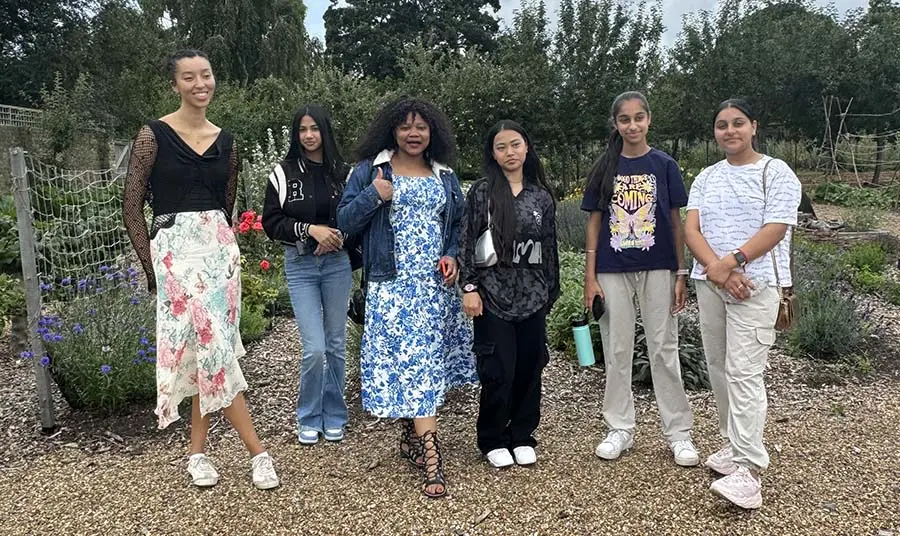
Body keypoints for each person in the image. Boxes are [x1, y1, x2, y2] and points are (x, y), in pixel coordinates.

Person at [122, 49, 278, 490]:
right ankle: (258, 452)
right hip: (174, 253)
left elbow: (225, 206)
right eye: (188, 78)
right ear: (175, 85)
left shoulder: (226, 141)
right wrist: (151, 267)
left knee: (208, 351)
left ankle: (196, 454)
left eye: (205, 75)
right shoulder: (152, 135)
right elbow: (132, 206)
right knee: (212, 350)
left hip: (218, 254)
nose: (199, 84)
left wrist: (223, 249)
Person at [337, 97, 477, 499]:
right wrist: (375, 195)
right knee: (411, 361)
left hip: (434, 286)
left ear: (432, 132)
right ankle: (433, 457)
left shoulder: (445, 175)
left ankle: (412, 438)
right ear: (391, 131)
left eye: (421, 127)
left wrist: (451, 254)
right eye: (405, 127)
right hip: (392, 284)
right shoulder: (370, 170)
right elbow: (345, 221)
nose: (413, 134)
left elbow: (458, 223)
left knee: (425, 362)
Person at [684, 98, 801, 510]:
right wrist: (718, 270)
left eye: (737, 123)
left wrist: (732, 263)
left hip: (757, 285)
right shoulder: (706, 177)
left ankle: (750, 471)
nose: (729, 131)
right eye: (721, 125)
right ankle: (733, 446)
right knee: (718, 368)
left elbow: (776, 228)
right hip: (713, 283)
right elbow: (692, 229)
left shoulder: (776, 172)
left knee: (744, 373)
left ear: (754, 126)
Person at [581, 91, 699, 467]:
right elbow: (594, 222)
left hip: (659, 266)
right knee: (617, 349)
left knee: (664, 347)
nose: (632, 125)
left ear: (649, 120)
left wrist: (681, 272)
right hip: (612, 268)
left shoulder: (664, 165)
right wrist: (589, 277)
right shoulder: (605, 167)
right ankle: (619, 427)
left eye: (638, 118)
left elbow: (677, 220)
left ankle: (679, 433)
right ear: (615, 124)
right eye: (624, 119)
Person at [458, 120, 559, 468]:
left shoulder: (540, 196)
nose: (509, 152)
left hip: (533, 295)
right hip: (491, 295)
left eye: (515, 144)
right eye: (501, 147)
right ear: (493, 153)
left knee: (530, 366)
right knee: (498, 368)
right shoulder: (483, 192)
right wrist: (469, 286)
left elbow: (549, 248)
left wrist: (550, 292)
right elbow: (467, 239)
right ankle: (492, 438)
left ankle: (522, 434)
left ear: (526, 147)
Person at [262, 104, 353, 445]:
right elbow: (271, 221)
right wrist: (309, 229)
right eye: (303, 129)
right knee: (314, 348)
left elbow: (355, 216)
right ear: (296, 134)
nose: (309, 135)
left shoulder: (343, 173)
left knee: (336, 344)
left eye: (315, 128)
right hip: (300, 265)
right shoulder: (283, 173)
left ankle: (335, 414)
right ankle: (309, 415)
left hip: (337, 264)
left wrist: (337, 236)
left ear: (325, 132)